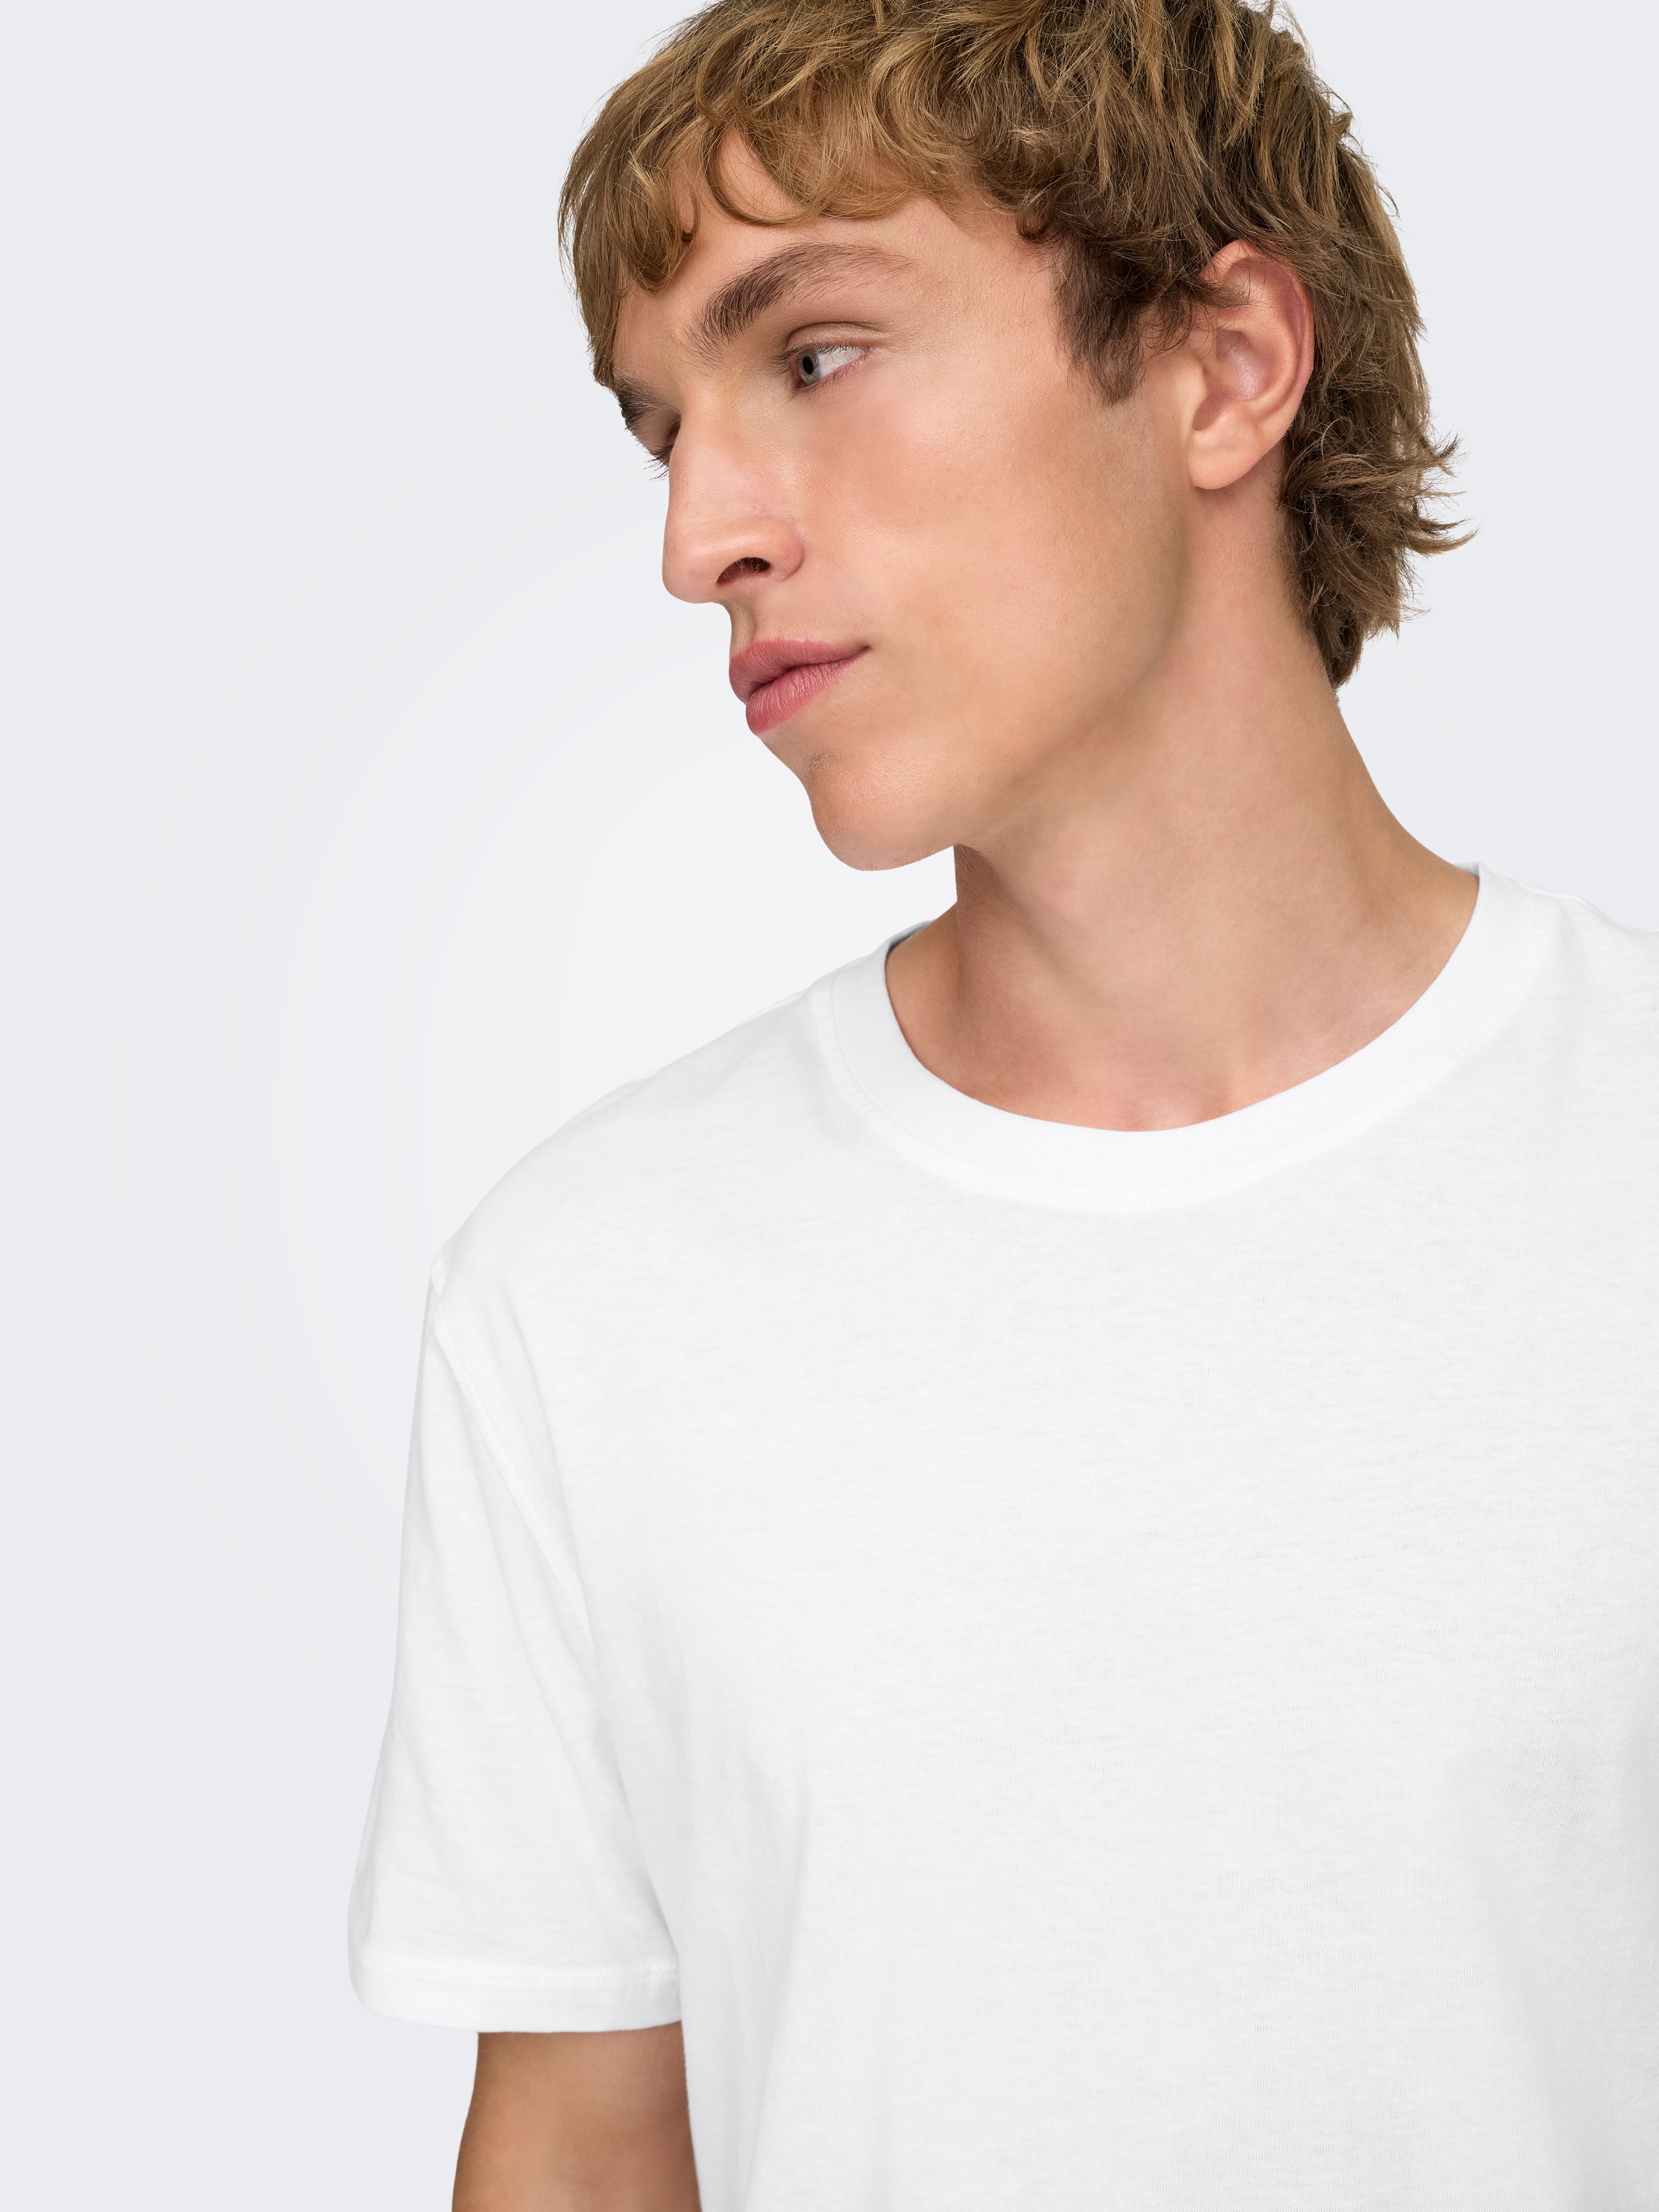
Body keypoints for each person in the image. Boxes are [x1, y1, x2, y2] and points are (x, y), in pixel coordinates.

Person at [348, 0, 1659, 2204]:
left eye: (816, 355)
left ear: (1222, 366)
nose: (696, 537)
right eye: (662, 432)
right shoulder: (583, 1297)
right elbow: (580, 2154)